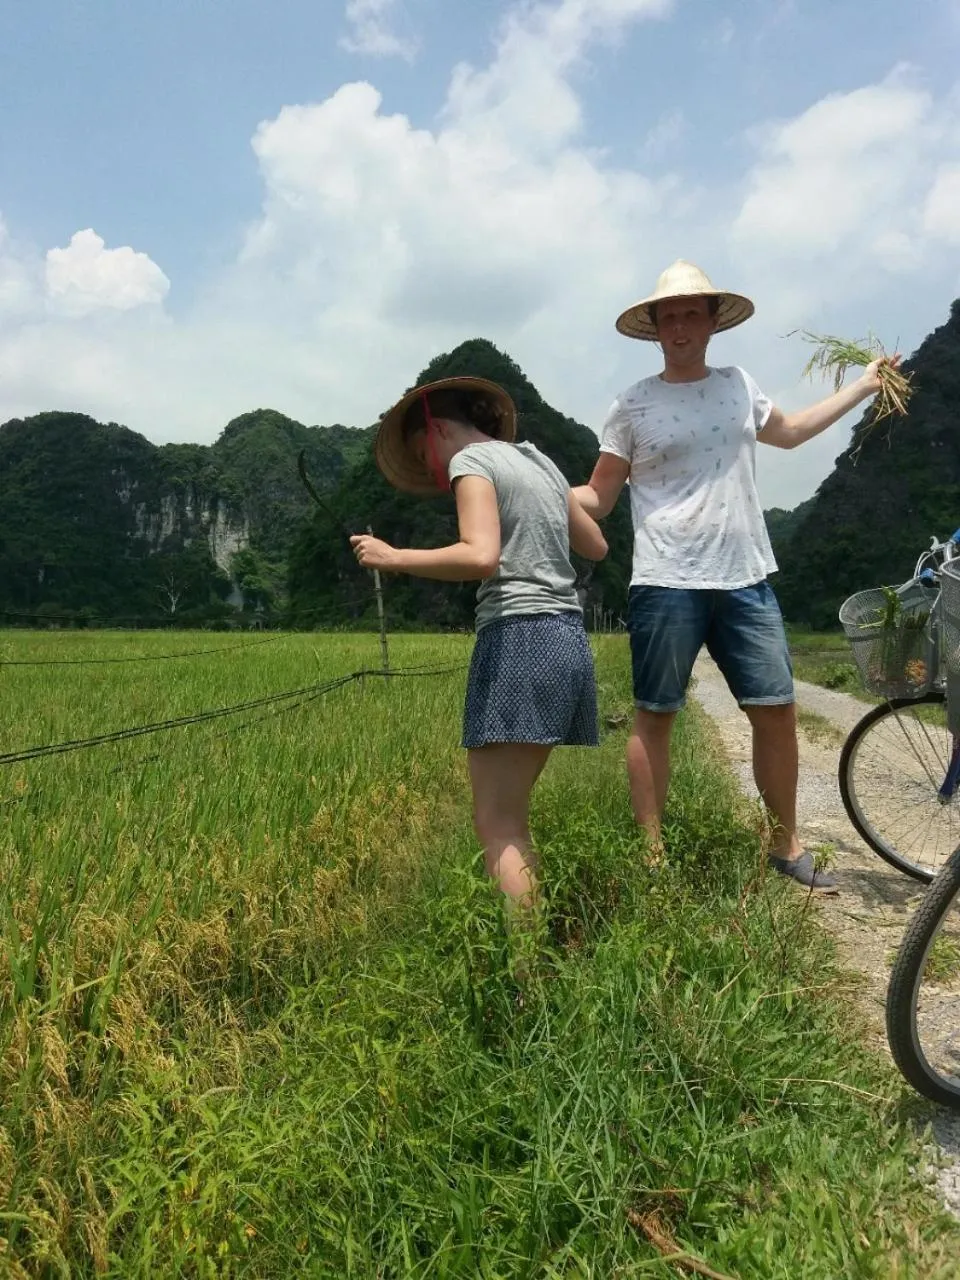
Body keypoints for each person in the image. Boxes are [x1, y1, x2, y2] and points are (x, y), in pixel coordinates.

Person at [572, 260, 901, 891]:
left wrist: (862, 387)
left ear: (712, 321)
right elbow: (600, 496)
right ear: (654, 327)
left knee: (776, 709)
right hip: (666, 579)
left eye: (691, 312)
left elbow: (793, 431)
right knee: (655, 713)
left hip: (745, 577)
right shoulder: (632, 404)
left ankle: (785, 843)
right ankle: (651, 850)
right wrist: (539, 490)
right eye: (668, 314)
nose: (679, 324)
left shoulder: (737, 385)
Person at [350, 375, 608, 915]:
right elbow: (596, 545)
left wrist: (392, 556)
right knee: (512, 815)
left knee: (498, 824)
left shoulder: (471, 463)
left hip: (518, 637)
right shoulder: (538, 461)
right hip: (566, 637)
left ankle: (526, 977)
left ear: (438, 427)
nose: (433, 471)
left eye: (425, 455)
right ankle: (533, 956)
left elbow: (480, 556)